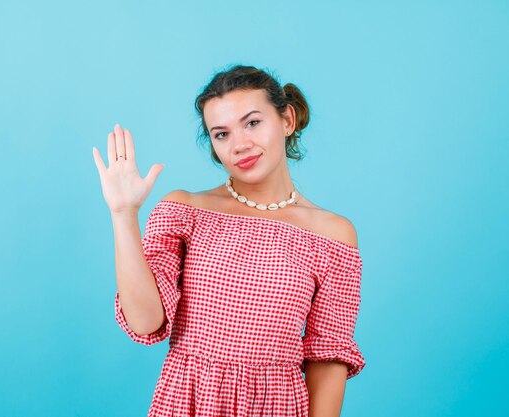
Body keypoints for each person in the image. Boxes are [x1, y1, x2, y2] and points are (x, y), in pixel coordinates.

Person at [92, 64, 366, 417]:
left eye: (253, 123)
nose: (239, 145)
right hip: (190, 403)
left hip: (277, 407)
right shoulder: (185, 211)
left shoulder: (333, 236)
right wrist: (123, 214)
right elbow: (145, 322)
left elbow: (328, 360)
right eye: (221, 134)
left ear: (287, 120)